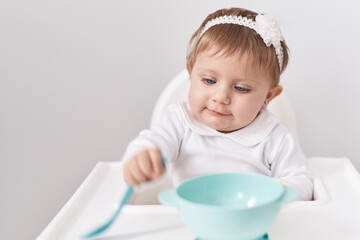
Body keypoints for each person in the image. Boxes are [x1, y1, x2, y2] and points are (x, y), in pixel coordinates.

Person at [122, 7, 314, 200]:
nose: (221, 97)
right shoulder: (180, 121)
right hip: (190, 219)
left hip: (250, 221)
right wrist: (142, 158)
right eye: (209, 81)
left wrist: (277, 192)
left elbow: (302, 180)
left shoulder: (275, 138)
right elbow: (154, 142)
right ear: (191, 73)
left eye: (241, 88)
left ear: (269, 97)